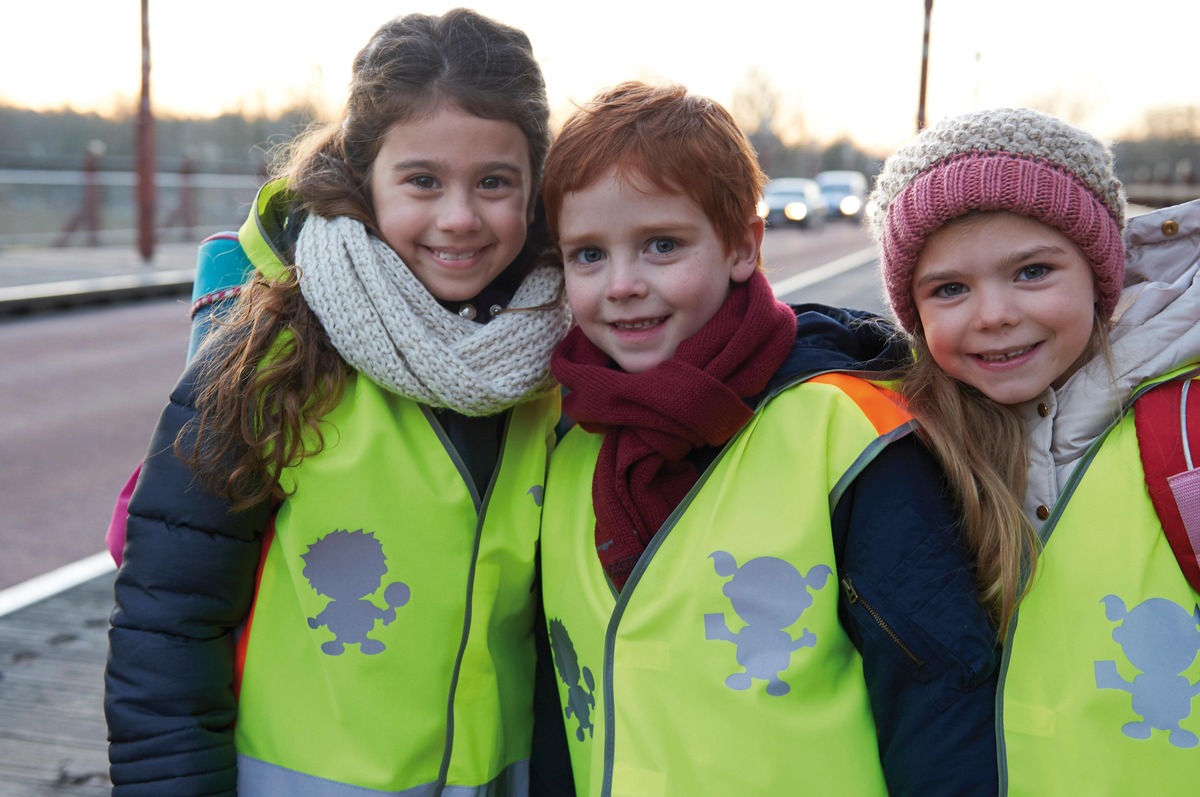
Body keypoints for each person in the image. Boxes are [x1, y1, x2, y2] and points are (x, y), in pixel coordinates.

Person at [103, 9, 575, 796]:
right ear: (364, 177)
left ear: (534, 190)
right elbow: (169, 618)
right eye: (422, 180)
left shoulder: (560, 368)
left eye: (494, 182)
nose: (458, 217)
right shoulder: (269, 359)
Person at [536, 81, 1000, 796]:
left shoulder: (847, 431)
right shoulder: (566, 441)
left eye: (662, 245)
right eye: (588, 255)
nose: (622, 283)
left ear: (742, 247)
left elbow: (941, 702)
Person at [867, 107, 1200, 795]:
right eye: (950, 288)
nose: (993, 314)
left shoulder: (1186, 425)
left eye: (1032, 271)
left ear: (1099, 270)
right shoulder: (910, 446)